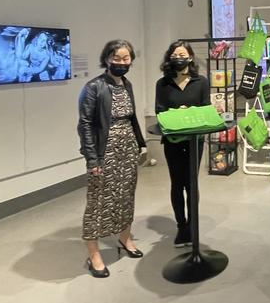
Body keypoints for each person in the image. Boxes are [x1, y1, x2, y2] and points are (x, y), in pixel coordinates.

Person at [77, 39, 147, 278]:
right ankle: (94, 253)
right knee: (98, 202)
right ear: (106, 59)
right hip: (104, 151)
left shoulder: (127, 84)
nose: (121, 63)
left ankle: (125, 238)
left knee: (126, 195)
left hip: (127, 150)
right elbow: (85, 125)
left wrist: (139, 144)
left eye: (126, 59)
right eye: (116, 58)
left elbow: (131, 117)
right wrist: (92, 159)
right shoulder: (93, 87)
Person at [155, 40, 210, 247]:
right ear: (170, 58)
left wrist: (190, 112)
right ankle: (182, 226)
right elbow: (159, 111)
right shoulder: (162, 84)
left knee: (191, 183)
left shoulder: (201, 82)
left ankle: (193, 226)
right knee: (177, 184)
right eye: (175, 55)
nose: (179, 58)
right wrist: (177, 114)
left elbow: (206, 108)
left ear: (191, 57)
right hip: (172, 141)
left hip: (195, 140)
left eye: (182, 55)